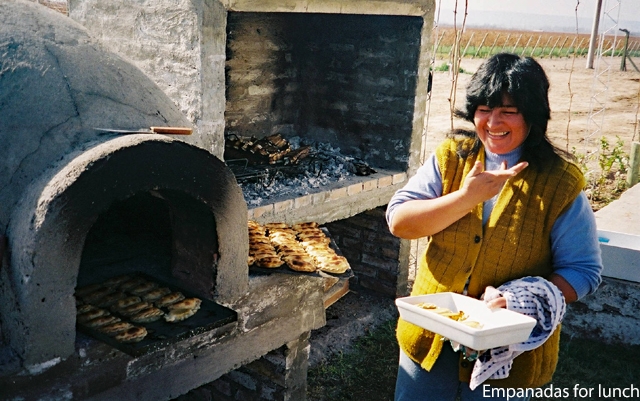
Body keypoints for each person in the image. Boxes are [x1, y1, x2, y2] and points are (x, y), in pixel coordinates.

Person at [386, 53, 602, 401]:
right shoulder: (452, 157)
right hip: (430, 336)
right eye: (484, 108)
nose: (492, 121)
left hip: (511, 356)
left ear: (532, 115)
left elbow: (583, 271)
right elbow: (400, 222)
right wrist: (467, 198)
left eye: (509, 111)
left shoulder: (560, 183)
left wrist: (521, 301)